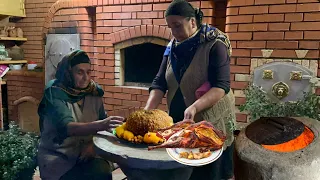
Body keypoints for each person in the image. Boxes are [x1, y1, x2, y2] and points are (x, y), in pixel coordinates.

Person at [144, 0, 236, 179]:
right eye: (170, 27)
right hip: (182, 121)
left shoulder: (214, 44)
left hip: (210, 121)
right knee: (182, 169)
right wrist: (148, 111)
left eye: (177, 26)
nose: (173, 32)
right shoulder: (172, 46)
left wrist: (194, 107)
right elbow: (160, 81)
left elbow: (221, 86)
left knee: (208, 172)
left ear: (192, 22)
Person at [37, 50, 124, 180]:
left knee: (103, 172)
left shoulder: (94, 93)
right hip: (59, 156)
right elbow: (68, 127)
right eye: (79, 72)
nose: (86, 78)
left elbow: (104, 126)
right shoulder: (54, 94)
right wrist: (102, 124)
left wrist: (94, 146)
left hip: (87, 152)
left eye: (88, 72)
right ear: (68, 73)